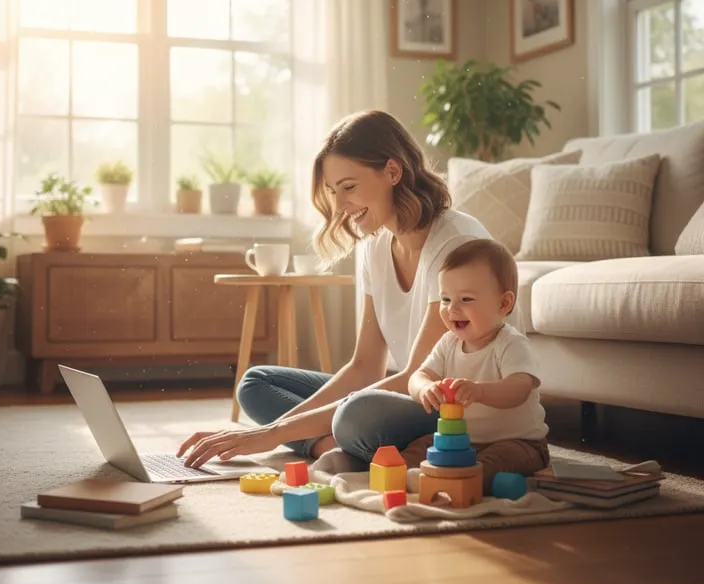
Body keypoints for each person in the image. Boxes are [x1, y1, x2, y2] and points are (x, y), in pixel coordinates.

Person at [176, 109, 494, 469]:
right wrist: (278, 428)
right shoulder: (375, 245)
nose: (340, 207)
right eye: (333, 192)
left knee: (357, 412)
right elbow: (364, 367)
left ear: (392, 171)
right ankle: (329, 445)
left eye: (349, 188)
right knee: (256, 383)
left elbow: (416, 376)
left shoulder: (454, 242)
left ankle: (345, 442)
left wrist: (271, 435)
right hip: (407, 398)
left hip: (453, 407)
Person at [407, 238, 550, 492]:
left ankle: (458, 483)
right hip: (462, 441)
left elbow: (519, 387)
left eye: (466, 299)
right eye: (445, 299)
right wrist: (425, 388)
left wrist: (480, 391)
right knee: (419, 447)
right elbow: (419, 375)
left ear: (504, 304)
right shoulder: (448, 342)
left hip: (520, 442)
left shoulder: (510, 343)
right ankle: (411, 474)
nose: (453, 309)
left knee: (493, 464)